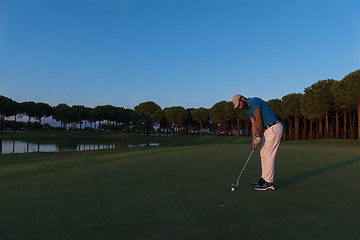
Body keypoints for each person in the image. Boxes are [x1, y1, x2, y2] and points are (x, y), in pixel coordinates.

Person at [232, 94, 283, 191]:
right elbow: (254, 124)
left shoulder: (254, 101)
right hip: (267, 130)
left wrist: (258, 136)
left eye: (239, 105)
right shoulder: (248, 109)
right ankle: (264, 179)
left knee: (268, 154)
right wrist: (253, 140)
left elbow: (259, 119)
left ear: (242, 99)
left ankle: (269, 183)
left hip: (274, 128)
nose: (240, 107)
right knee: (263, 153)